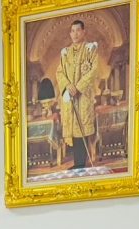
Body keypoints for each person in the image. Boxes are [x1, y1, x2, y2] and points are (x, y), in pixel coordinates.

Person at [55, 19, 99, 170]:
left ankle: (81, 163)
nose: (75, 34)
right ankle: (78, 163)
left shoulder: (90, 49)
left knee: (82, 128)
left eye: (78, 30)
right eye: (72, 31)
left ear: (84, 32)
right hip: (70, 96)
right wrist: (68, 86)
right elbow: (59, 72)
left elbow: (93, 70)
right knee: (73, 130)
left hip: (83, 96)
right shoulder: (65, 53)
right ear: (70, 33)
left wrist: (78, 87)